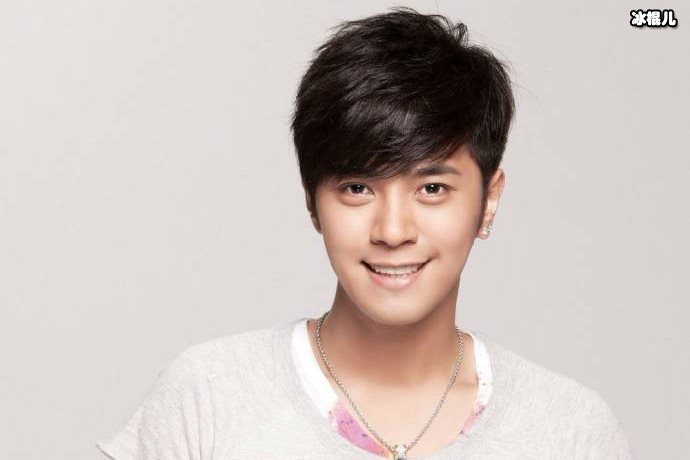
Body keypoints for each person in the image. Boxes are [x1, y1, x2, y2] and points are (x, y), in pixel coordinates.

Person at [96, 7, 634, 459]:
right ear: (312, 200)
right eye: (357, 188)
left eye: (432, 189)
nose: (393, 231)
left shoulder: (570, 431)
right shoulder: (208, 398)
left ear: (488, 200)